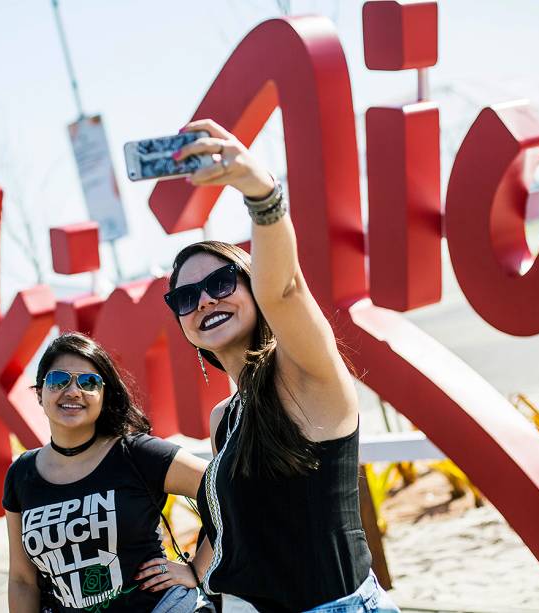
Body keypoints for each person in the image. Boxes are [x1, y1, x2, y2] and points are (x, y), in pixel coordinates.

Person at [164, 119, 400, 612]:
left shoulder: (305, 376)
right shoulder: (224, 420)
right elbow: (238, 530)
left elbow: (285, 290)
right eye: (186, 296)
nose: (205, 300)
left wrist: (260, 191)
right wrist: (195, 571)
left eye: (223, 282)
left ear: (253, 287)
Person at [3, 332, 212, 612]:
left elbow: (229, 490)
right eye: (58, 380)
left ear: (104, 396)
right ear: (39, 394)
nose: (73, 391)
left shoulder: (136, 454)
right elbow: (22, 580)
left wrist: (198, 569)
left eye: (89, 382)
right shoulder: (21, 474)